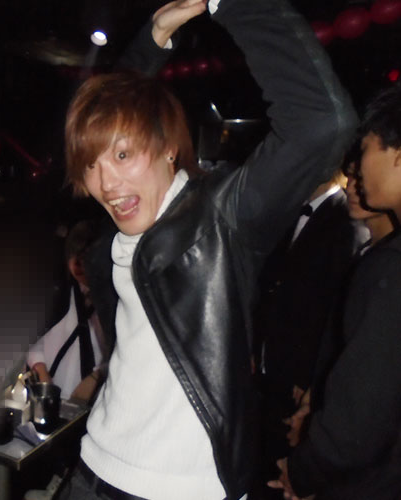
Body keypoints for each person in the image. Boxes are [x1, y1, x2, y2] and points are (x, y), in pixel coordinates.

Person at [58, 0, 357, 498]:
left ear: (168, 147)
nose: (106, 183)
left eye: (124, 155)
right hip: (92, 467)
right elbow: (109, 115)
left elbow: (321, 121)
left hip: (183, 487)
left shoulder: (220, 216)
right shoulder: (114, 237)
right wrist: (154, 37)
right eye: (91, 165)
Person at [270, 84, 401, 500]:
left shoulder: (390, 266)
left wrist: (304, 472)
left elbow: (362, 414)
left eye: (365, 149)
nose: (357, 168)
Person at [251, 170, 368, 497]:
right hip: (268, 368)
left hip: (297, 380)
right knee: (261, 461)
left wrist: (310, 378)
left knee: (283, 468)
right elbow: (267, 287)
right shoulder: (288, 212)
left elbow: (334, 312)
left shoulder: (347, 220)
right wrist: (254, 346)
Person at [27, 219, 109, 402]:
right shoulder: (59, 295)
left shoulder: (112, 301)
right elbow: (35, 340)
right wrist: (42, 373)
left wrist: (96, 376)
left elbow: (125, 354)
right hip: (52, 398)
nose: (78, 266)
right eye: (75, 258)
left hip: (96, 402)